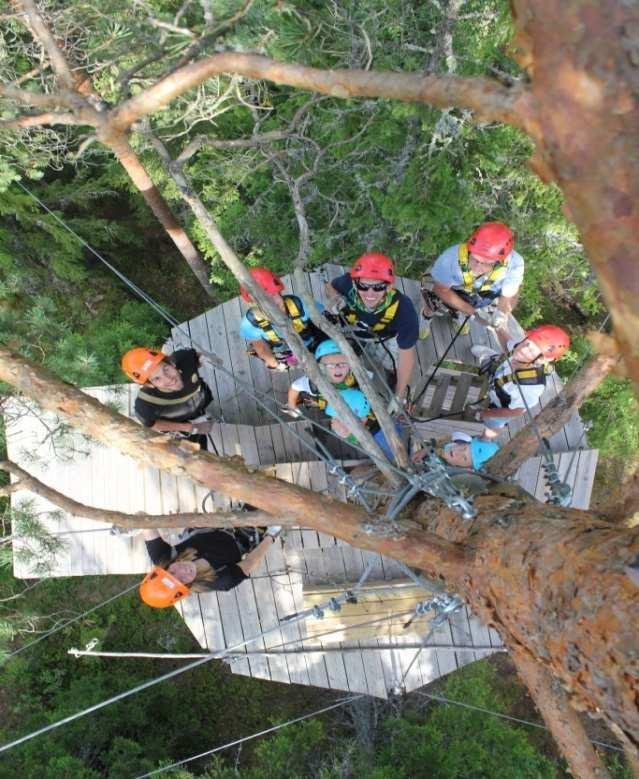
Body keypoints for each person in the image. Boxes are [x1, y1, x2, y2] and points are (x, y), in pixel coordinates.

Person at [325, 253, 419, 413]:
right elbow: (329, 287)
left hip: (384, 337)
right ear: (355, 283)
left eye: (378, 287)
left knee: (397, 368)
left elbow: (407, 357)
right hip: (352, 330)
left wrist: (399, 395)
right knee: (334, 360)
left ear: (389, 286)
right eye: (363, 286)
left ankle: (393, 381)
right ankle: (344, 387)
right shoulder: (348, 283)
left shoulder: (404, 310)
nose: (370, 293)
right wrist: (335, 299)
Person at [139, 524, 282, 606]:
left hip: (217, 524)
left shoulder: (163, 558)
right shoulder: (219, 580)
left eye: (172, 572)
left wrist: (135, 526)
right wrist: (271, 536)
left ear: (165, 567)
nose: (183, 571)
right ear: (187, 587)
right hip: (242, 539)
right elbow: (250, 562)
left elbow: (145, 523)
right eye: (182, 580)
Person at [420, 222, 524, 336]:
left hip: (481, 293)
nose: (477, 266)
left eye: (485, 263)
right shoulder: (450, 258)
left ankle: (456, 312)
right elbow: (440, 289)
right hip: (452, 286)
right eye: (474, 258)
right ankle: (426, 316)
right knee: (432, 303)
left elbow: (509, 294)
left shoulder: (514, 264)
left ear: (500, 261)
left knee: (467, 304)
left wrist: (501, 313)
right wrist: (472, 313)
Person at [470, 324, 570, 439]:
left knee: (494, 422)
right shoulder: (523, 350)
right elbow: (509, 344)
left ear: (542, 360)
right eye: (527, 343)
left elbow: (514, 412)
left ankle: (485, 439)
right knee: (495, 361)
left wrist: (485, 414)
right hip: (498, 377)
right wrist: (498, 327)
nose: (523, 349)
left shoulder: (530, 387)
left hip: (502, 404)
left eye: (532, 350)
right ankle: (487, 355)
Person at [121, 347, 214, 449]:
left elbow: (196, 358)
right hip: (182, 425)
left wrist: (204, 359)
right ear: (150, 385)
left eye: (166, 369)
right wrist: (191, 428)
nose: (168, 379)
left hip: (200, 402)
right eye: (156, 378)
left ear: (171, 363)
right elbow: (151, 424)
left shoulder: (184, 358)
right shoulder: (145, 404)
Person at [239, 267, 326, 371]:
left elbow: (324, 323)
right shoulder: (251, 323)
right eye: (264, 301)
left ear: (279, 293)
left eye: (273, 296)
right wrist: (275, 365)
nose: (271, 304)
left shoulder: (299, 305)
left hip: (312, 342)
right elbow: (261, 349)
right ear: (254, 303)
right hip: (285, 352)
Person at [285, 339, 360, 418]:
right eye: (330, 365)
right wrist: (292, 405)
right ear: (321, 367)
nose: (337, 369)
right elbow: (295, 387)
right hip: (326, 404)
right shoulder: (313, 382)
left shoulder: (357, 375)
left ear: (350, 365)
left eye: (343, 364)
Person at [325, 387, 403, 462]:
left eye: (346, 423)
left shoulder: (383, 441)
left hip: (382, 436)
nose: (341, 428)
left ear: (363, 421)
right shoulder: (348, 428)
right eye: (336, 419)